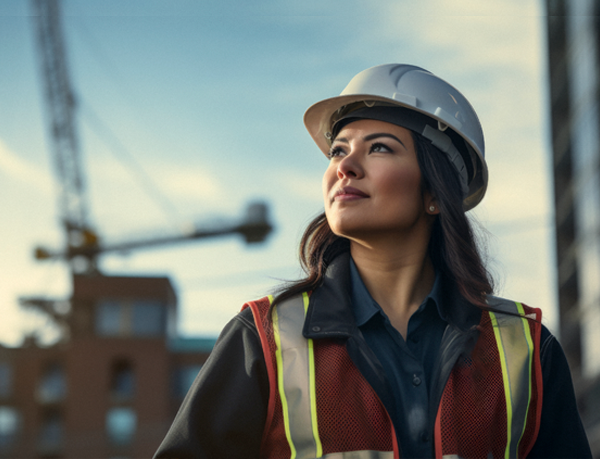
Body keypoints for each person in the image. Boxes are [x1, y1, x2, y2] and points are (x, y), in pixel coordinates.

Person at [154, 64, 592, 458]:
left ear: (436, 193)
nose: (345, 167)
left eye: (379, 148)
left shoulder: (527, 349)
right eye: (338, 151)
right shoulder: (263, 339)